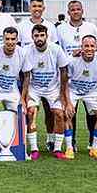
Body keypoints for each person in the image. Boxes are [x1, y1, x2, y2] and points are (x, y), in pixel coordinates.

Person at [56, 0, 97, 149]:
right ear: (68, 13)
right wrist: (72, 56)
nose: (75, 12)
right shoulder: (61, 29)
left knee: (92, 112)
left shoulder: (91, 27)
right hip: (70, 77)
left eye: (78, 9)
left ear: (82, 11)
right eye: (72, 10)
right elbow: (58, 51)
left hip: (88, 77)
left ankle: (93, 142)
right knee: (70, 111)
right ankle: (72, 143)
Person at [22, 24, 70, 160]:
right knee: (31, 113)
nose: (39, 38)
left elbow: (64, 71)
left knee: (59, 114)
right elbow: (25, 75)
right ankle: (34, 149)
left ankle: (57, 149)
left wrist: (62, 94)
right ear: (32, 37)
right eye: (36, 35)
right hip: (34, 88)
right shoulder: (26, 51)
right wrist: (24, 97)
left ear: (47, 36)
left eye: (42, 35)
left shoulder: (55, 49)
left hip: (53, 88)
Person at [63, 35, 97, 159]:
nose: (89, 49)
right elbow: (64, 82)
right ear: (81, 47)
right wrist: (68, 102)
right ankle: (69, 148)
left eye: (92, 46)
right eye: (86, 46)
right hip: (73, 90)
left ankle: (94, 148)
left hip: (92, 91)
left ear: (96, 47)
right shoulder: (72, 60)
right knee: (67, 114)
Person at [0, 27, 32, 114]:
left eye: (13, 39)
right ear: (3, 39)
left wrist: (22, 99)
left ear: (17, 40)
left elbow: (27, 76)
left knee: (22, 112)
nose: (10, 42)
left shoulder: (23, 53)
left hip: (11, 89)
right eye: (7, 39)